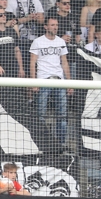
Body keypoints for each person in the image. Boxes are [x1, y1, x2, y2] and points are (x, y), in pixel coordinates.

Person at [29, 16, 73, 149]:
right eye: (52, 25)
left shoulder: (61, 42)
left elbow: (64, 62)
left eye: (56, 25)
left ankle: (61, 144)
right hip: (43, 79)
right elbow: (32, 62)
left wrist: (69, 83)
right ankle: (41, 143)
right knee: (40, 114)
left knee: (62, 114)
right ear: (45, 27)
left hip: (59, 80)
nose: (55, 27)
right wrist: (34, 82)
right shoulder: (37, 42)